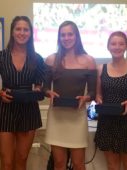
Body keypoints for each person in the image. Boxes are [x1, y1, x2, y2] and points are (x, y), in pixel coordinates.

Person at [0, 16, 45, 170]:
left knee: (21, 161)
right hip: (5, 110)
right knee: (7, 163)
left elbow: (39, 85)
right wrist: (0, 93)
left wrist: (36, 91)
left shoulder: (37, 58)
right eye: (18, 29)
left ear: (30, 33)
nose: (22, 33)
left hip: (28, 110)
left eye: (26, 29)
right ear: (12, 32)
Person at [44, 20, 96, 170]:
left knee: (78, 163)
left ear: (76, 36)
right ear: (59, 38)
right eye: (63, 35)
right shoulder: (51, 59)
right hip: (57, 116)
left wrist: (86, 97)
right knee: (59, 163)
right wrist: (49, 92)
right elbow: (44, 88)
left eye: (70, 34)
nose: (66, 38)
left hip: (77, 116)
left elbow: (92, 92)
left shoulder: (89, 61)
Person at [94, 31, 127, 170]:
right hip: (107, 121)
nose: (117, 47)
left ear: (126, 46)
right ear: (108, 47)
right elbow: (98, 95)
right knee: (112, 165)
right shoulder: (100, 69)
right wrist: (98, 99)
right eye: (113, 43)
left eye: (121, 43)